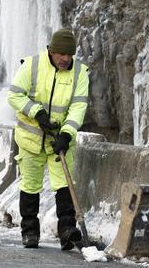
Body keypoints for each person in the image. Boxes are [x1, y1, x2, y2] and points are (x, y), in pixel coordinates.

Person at [7, 28, 90, 249]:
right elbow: (14, 94)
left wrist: (67, 134)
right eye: (61, 54)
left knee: (64, 183)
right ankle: (30, 232)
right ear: (51, 51)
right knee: (31, 185)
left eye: (69, 55)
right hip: (31, 139)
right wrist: (37, 112)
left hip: (59, 141)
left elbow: (78, 106)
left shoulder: (80, 72)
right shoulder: (32, 66)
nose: (65, 59)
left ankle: (67, 231)